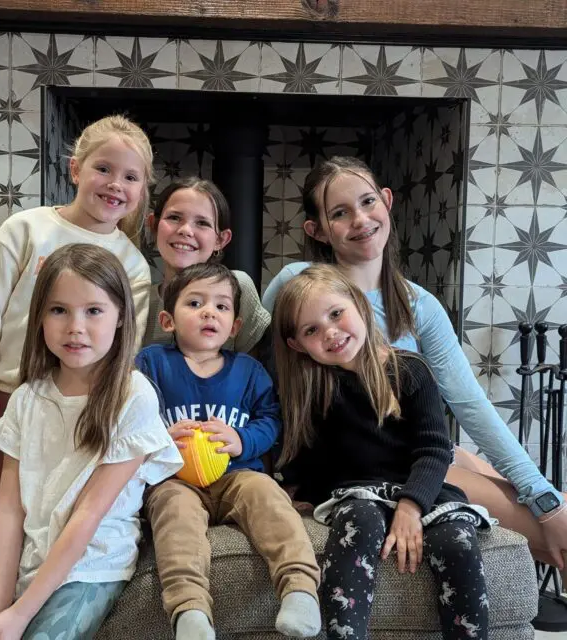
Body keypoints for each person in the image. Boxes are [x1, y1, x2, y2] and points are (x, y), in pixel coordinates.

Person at [262, 156, 567, 578]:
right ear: (316, 230)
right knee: (553, 529)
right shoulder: (298, 285)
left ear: (387, 201)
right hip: (367, 462)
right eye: (339, 212)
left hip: (417, 451)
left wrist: (543, 492)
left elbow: (469, 403)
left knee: (532, 496)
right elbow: (258, 377)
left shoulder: (419, 305)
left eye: (368, 201)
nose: (360, 219)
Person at [0, 244, 182, 640]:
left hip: (88, 564)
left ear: (121, 316)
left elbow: (88, 517)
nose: (75, 327)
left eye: (94, 311)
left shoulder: (133, 396)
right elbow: (9, 509)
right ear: (40, 319)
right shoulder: (27, 398)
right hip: (17, 554)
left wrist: (21, 615)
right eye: (59, 310)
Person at [0, 114, 156, 569]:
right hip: (4, 400)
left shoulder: (133, 266)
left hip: (79, 410)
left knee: (55, 518)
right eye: (103, 169)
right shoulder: (26, 229)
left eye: (130, 177)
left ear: (142, 190)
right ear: (75, 170)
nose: (114, 185)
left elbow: (124, 353)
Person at [273, 264, 492, 640]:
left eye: (336, 314)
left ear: (359, 305)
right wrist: (296, 493)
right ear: (297, 345)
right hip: (355, 492)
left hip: (421, 487)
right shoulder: (311, 389)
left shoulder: (411, 371)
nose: (330, 332)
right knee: (360, 520)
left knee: (457, 540)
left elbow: (434, 448)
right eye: (311, 330)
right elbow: (306, 455)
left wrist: (411, 506)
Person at [137, 263, 321, 640]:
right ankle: (189, 611)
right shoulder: (151, 363)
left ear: (235, 326)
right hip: (176, 480)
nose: (209, 312)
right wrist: (161, 435)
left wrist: (242, 440)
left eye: (221, 307)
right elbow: (130, 418)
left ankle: (300, 589)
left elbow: (272, 421)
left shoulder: (250, 371)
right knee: (173, 513)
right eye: (195, 303)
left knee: (269, 497)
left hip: (239, 475)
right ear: (168, 320)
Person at [142, 176, 270, 352]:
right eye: (174, 217)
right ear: (154, 226)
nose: (185, 230)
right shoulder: (140, 299)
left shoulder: (238, 287)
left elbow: (257, 363)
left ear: (221, 239)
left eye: (202, 223)